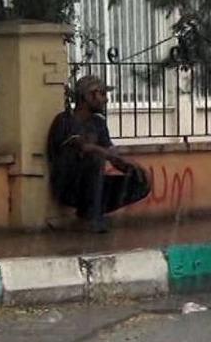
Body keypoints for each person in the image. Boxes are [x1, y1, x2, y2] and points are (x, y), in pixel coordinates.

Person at [47, 75, 150, 233]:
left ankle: (86, 217)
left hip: (92, 183)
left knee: (140, 180)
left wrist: (129, 166)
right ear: (89, 96)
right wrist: (107, 154)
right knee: (95, 157)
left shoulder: (98, 122)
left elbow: (111, 152)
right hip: (68, 185)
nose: (106, 99)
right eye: (102, 94)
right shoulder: (65, 120)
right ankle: (90, 218)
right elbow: (84, 147)